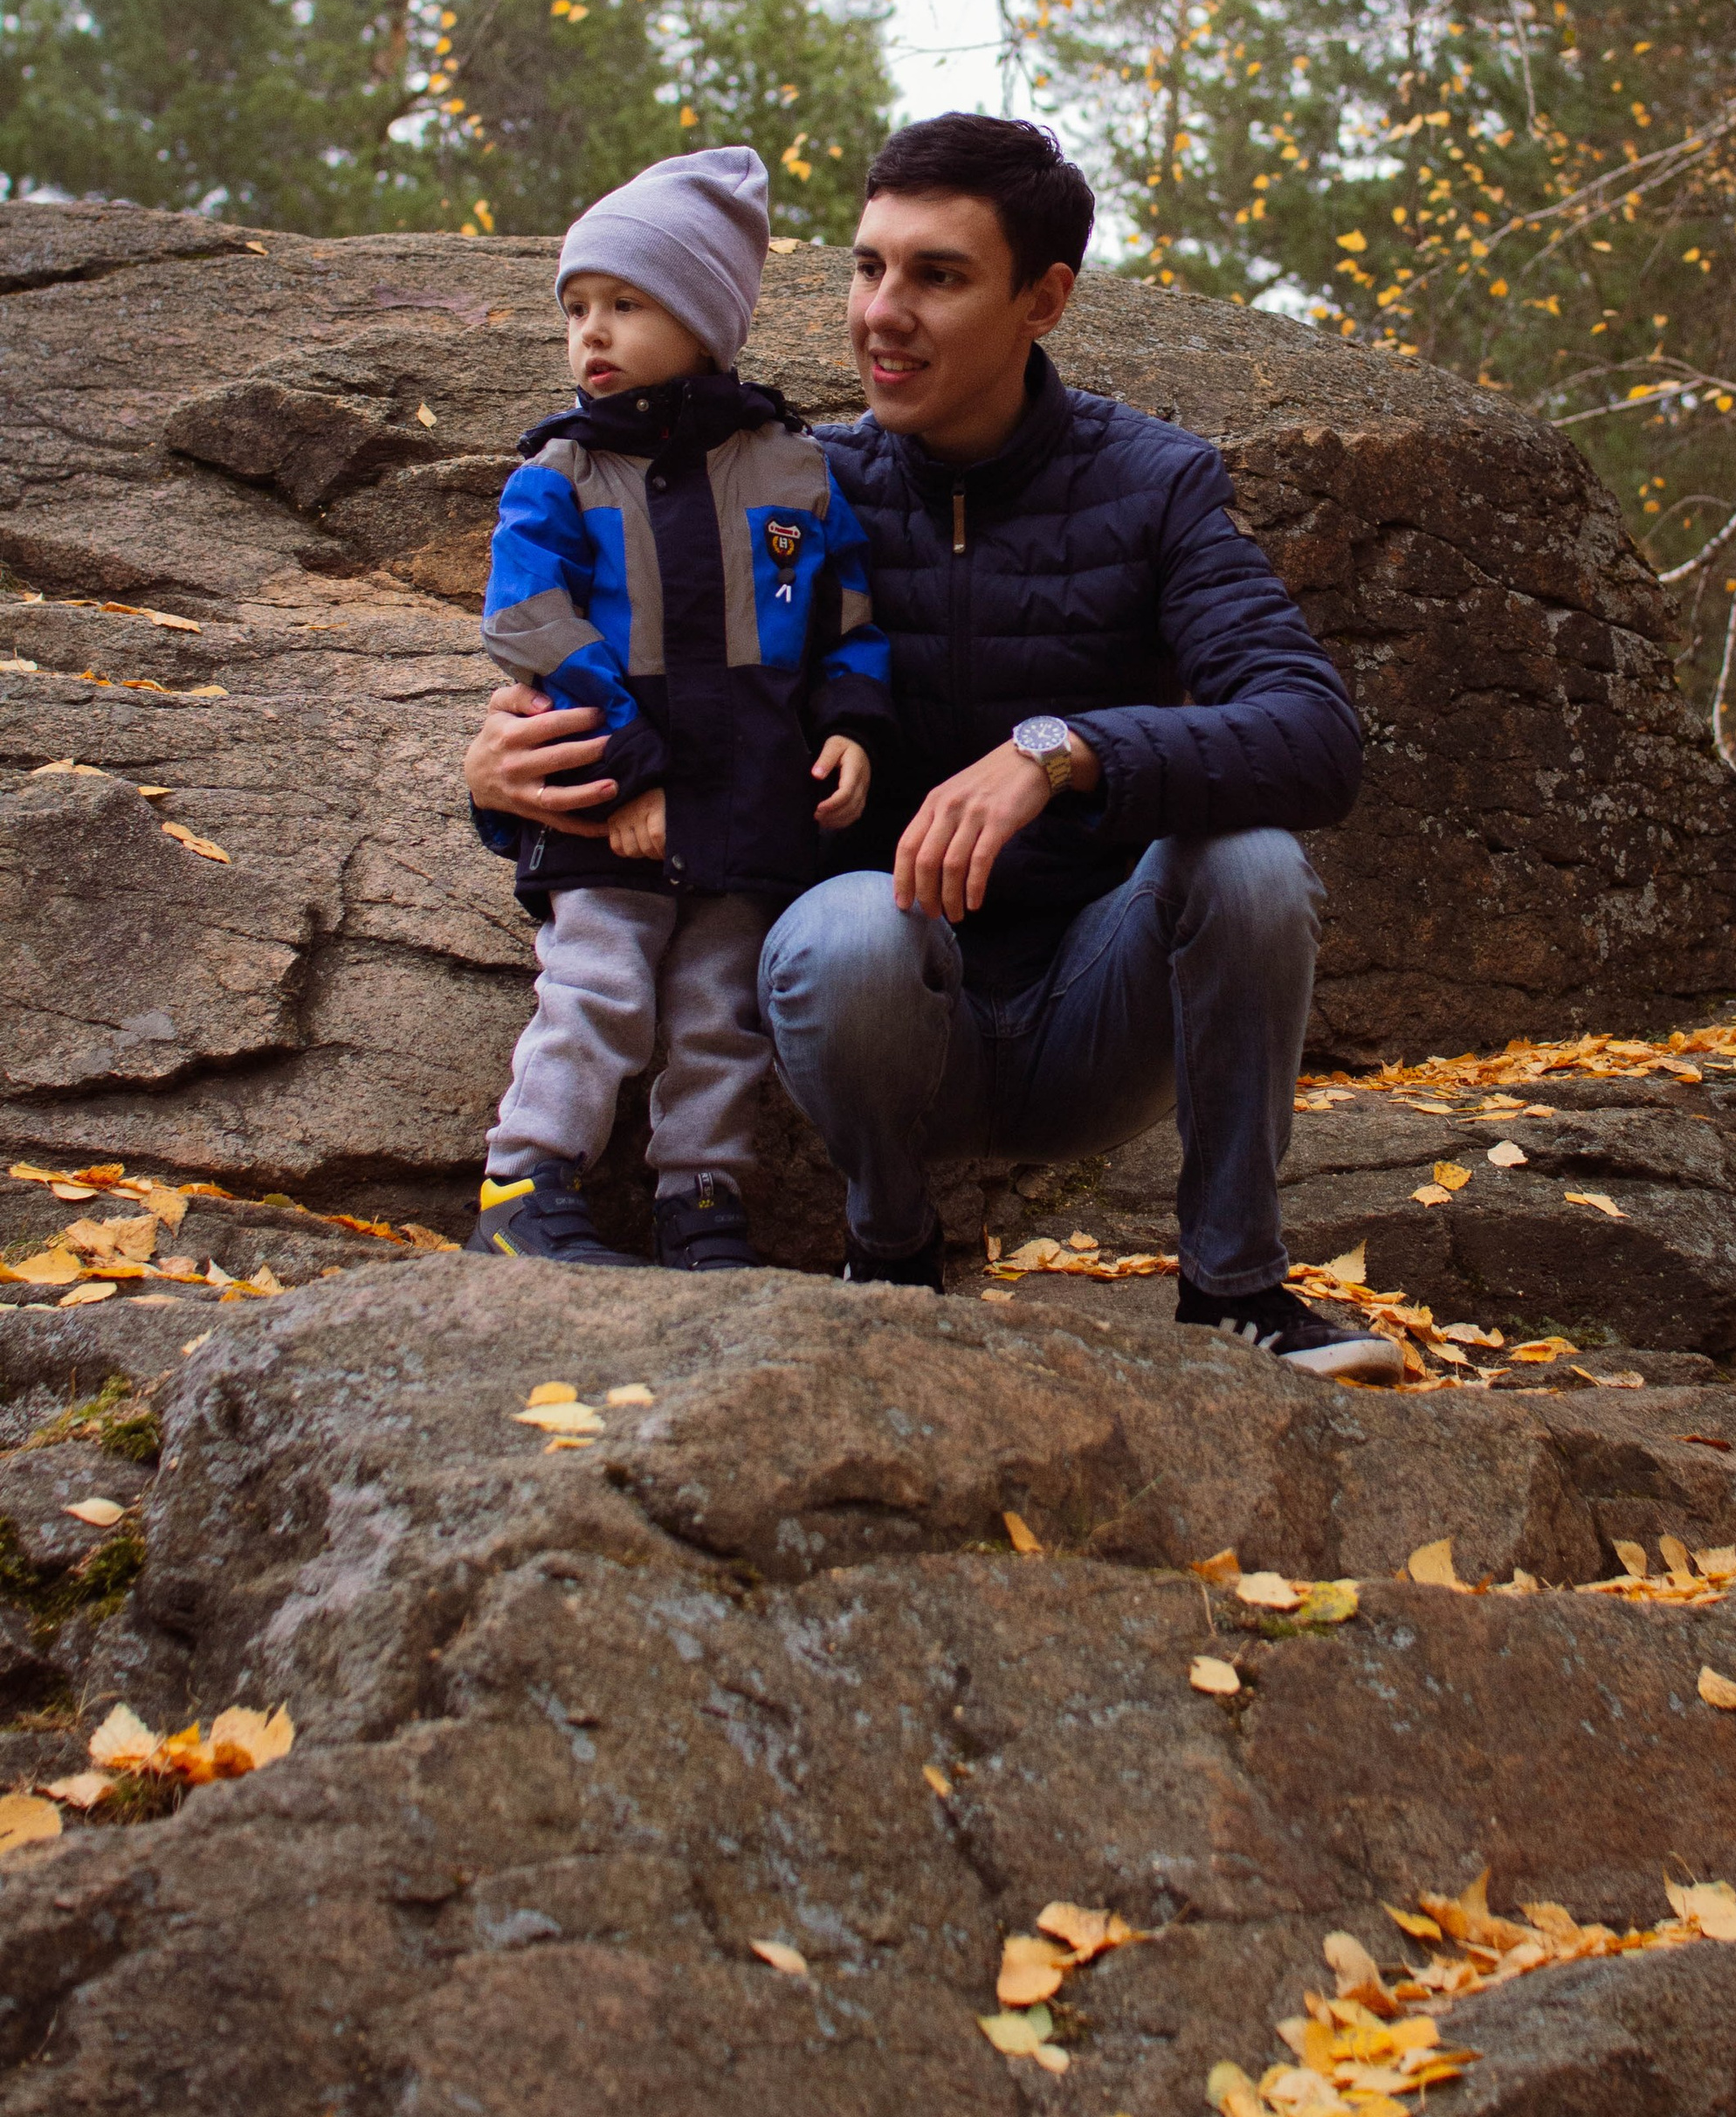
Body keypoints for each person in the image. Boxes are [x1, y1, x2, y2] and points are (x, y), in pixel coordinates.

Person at [465, 113, 1397, 1380]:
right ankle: (887, 1252)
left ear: (1044, 299)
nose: (882, 313)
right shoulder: (795, 489)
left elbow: (1316, 737)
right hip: (873, 1004)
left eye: (938, 276)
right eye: (868, 268)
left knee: (1253, 866)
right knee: (853, 926)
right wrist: (505, 780)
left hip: (1094, 1008)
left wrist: (1059, 751)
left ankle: (1236, 1288)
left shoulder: (1157, 484)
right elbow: (644, 679)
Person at [467, 141, 891, 1272]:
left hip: (754, 802)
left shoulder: (795, 468)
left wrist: (853, 723)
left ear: (708, 319)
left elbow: (849, 615)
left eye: (625, 302)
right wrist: (632, 764)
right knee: (597, 986)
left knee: (721, 1012)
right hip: (609, 798)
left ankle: (701, 1204)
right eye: (577, 308)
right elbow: (527, 620)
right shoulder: (558, 470)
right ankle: (523, 1188)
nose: (590, 333)